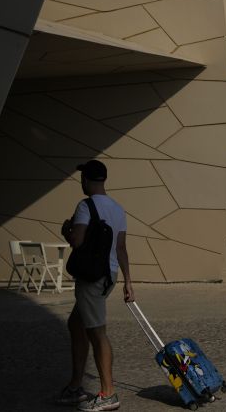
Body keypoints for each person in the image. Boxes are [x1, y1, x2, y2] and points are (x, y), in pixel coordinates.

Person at [57, 160, 133, 411]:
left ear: (86, 180)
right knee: (75, 324)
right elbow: (121, 248)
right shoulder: (118, 209)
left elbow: (77, 241)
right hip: (109, 276)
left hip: (91, 278)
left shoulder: (85, 205)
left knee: (97, 333)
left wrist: (67, 229)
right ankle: (76, 385)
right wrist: (128, 282)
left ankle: (108, 394)